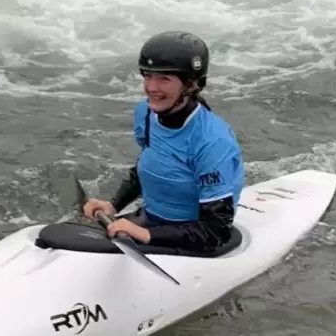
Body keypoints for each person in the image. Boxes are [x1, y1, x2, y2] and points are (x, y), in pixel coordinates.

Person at [82, 30, 246, 256]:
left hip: (193, 237)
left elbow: (215, 231)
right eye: (147, 76)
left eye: (164, 79)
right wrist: (113, 206)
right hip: (150, 220)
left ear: (192, 85)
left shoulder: (213, 142)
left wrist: (146, 235)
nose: (151, 88)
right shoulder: (146, 113)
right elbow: (149, 164)